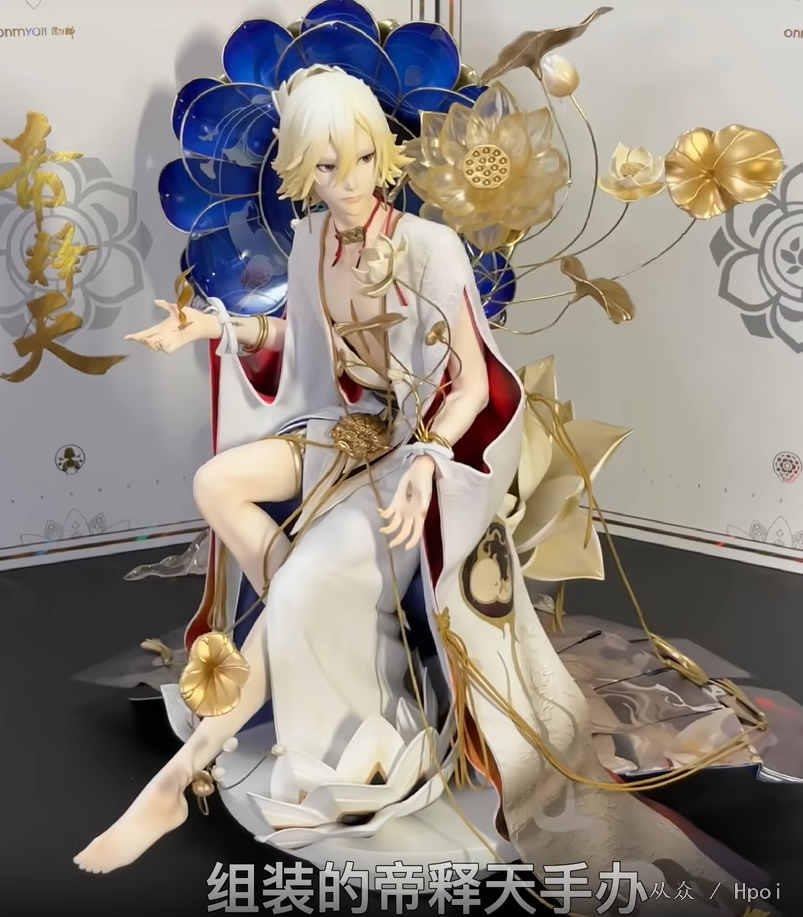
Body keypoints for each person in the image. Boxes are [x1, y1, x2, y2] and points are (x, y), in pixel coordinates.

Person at [74, 66, 765, 915]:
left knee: (302, 583)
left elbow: (473, 381)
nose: (350, 181)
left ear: (383, 153)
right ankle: (318, 621)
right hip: (339, 430)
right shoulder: (310, 241)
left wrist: (432, 458)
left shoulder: (429, 247)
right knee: (216, 485)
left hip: (413, 451)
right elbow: (303, 343)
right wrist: (216, 325)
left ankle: (184, 774)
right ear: (301, 170)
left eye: (364, 158)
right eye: (327, 165)